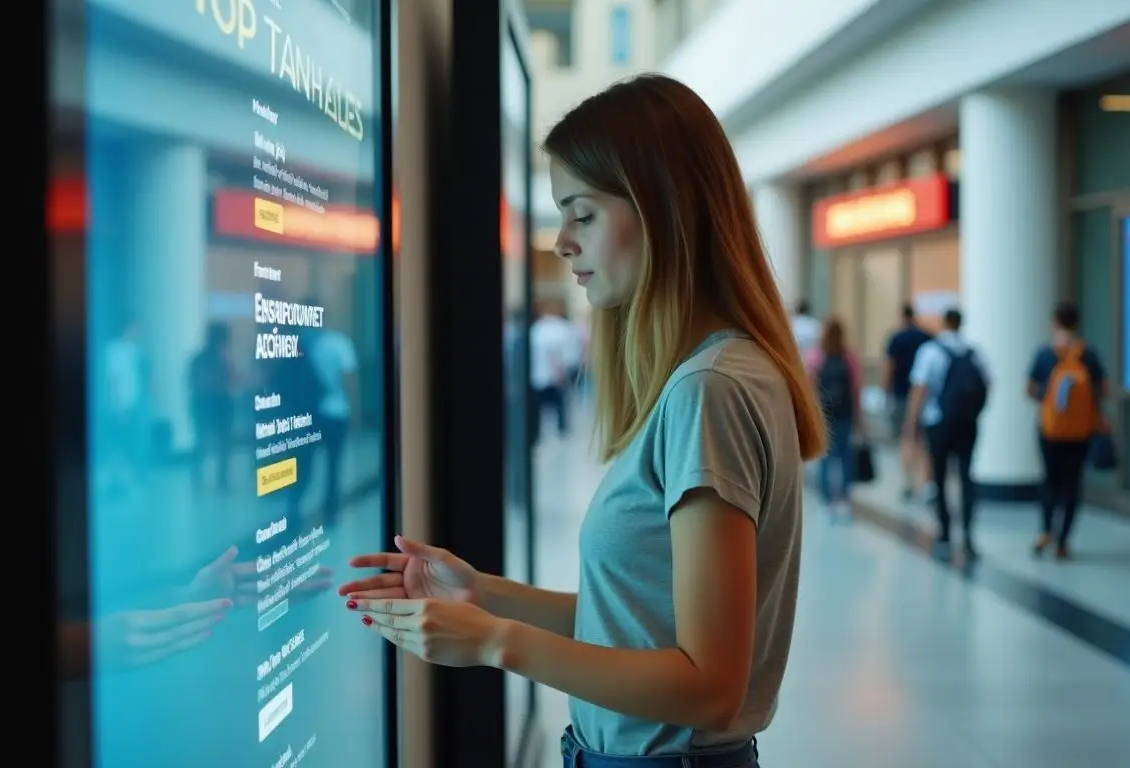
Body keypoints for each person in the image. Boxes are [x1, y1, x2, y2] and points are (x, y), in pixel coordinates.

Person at [338, 74, 825, 767]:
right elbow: (637, 626)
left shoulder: (709, 389)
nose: (563, 242)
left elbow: (709, 686)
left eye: (582, 213)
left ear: (663, 210)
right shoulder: (714, 375)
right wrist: (486, 596)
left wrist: (490, 642)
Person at [905, 308, 991, 560]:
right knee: (966, 475)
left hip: (938, 422)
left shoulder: (931, 351)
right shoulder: (974, 353)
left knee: (940, 476)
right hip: (967, 423)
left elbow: (920, 388)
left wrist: (911, 423)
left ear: (944, 323)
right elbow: (987, 385)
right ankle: (968, 533)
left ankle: (944, 530)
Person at [1026, 302, 1108, 560]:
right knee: (1072, 482)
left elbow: (1029, 388)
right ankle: (1063, 541)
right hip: (1080, 430)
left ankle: (1045, 531)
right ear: (1077, 323)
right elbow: (1102, 389)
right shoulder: (1088, 355)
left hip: (1050, 429)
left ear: (1054, 322)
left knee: (1049, 479)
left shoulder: (1045, 353)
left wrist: (1049, 398)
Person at [815, 317, 866, 519]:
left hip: (825, 414)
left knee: (826, 458)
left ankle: (828, 500)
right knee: (846, 456)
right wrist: (859, 416)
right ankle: (844, 498)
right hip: (845, 413)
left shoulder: (817, 356)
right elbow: (856, 389)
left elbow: (809, 385)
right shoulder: (850, 357)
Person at [882, 304, 932, 501]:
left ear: (902, 317)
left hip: (901, 395)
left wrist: (884, 391)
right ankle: (926, 483)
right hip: (926, 396)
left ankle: (908, 483)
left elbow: (888, 367)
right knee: (924, 441)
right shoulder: (926, 337)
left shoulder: (896, 338)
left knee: (906, 438)